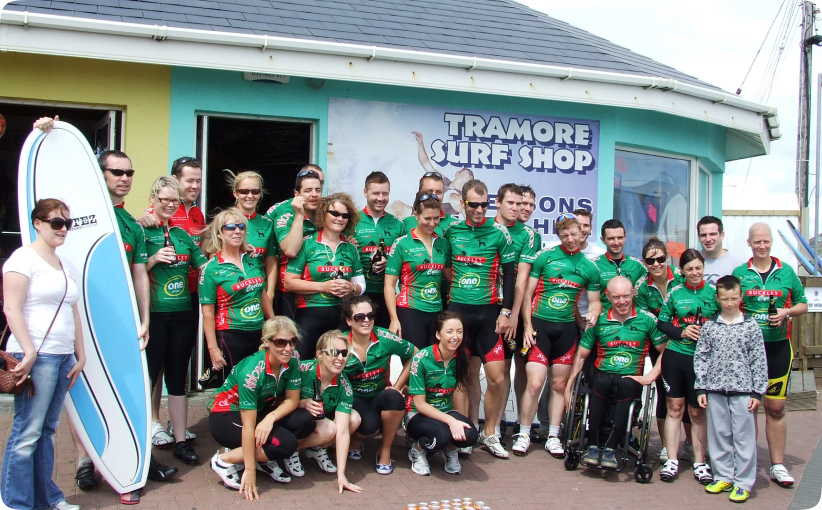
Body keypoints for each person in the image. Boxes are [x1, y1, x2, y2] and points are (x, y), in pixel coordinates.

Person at [1, 199, 85, 510]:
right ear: (37, 223)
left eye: (67, 224)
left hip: (62, 356)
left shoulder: (64, 264)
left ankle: (45, 499)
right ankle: (15, 502)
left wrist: (80, 355)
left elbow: (73, 310)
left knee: (46, 430)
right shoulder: (22, 259)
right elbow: (11, 308)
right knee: (28, 431)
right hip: (37, 355)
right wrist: (29, 351)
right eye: (56, 223)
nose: (63, 229)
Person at [517, 215, 602, 457]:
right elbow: (527, 294)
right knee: (535, 383)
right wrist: (527, 326)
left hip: (566, 331)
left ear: (581, 232)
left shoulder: (589, 267)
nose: (570, 239)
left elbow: (595, 302)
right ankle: (523, 433)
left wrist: (594, 313)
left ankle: (553, 436)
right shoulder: (545, 257)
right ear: (559, 236)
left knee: (558, 385)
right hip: (540, 328)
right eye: (565, 236)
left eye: (574, 234)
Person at [732, 222, 808, 488]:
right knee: (748, 407)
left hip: (778, 348)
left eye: (766, 241)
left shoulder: (786, 271)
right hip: (747, 351)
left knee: (775, 407)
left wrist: (787, 312)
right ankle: (747, 463)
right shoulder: (740, 273)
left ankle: (778, 465)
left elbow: (803, 304)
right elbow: (730, 306)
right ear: (749, 242)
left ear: (771, 242)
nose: (762, 246)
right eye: (757, 242)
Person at [444, 179, 516, 458]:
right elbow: (444, 267)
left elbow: (509, 275)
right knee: (464, 376)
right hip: (458, 313)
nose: (479, 210)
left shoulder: (499, 232)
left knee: (497, 378)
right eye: (473, 204)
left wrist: (506, 311)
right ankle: (467, 430)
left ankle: (490, 432)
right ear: (462, 203)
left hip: (488, 313)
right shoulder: (451, 230)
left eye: (484, 205)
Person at [137, 157, 205, 450]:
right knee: (152, 373)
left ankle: (178, 435)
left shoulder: (190, 221)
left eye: (173, 200)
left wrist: (237, 252)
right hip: (154, 310)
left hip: (186, 305)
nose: (169, 204)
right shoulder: (144, 225)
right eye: (190, 180)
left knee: (178, 372)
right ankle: (149, 427)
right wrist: (153, 258)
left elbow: (205, 261)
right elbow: (131, 271)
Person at [207, 317, 315, 499]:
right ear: (266, 342)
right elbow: (248, 427)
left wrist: (269, 419)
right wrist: (249, 471)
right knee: (286, 444)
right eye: (281, 342)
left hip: (260, 410)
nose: (288, 348)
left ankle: (261, 458)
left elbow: (292, 400)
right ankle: (224, 461)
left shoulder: (293, 359)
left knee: (305, 421)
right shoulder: (251, 373)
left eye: (293, 341)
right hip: (226, 415)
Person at [565, 276, 665, 469]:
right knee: (601, 383)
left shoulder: (647, 320)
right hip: (604, 374)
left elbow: (665, 350)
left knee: (626, 385)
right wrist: (569, 387)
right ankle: (593, 446)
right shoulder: (599, 321)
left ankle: (610, 449)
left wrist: (650, 376)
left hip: (630, 377)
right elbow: (581, 355)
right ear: (608, 296)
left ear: (633, 294)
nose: (622, 301)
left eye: (626, 296)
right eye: (616, 297)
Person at [695, 275, 767, 503]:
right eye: (725, 299)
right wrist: (701, 387)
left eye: (734, 298)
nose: (729, 303)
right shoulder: (710, 326)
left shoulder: (750, 326)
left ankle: (743, 482)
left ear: (740, 297)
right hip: (715, 388)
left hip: (743, 390)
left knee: (744, 438)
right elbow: (702, 356)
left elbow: (758, 360)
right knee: (719, 435)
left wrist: (757, 391)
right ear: (717, 298)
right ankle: (723, 475)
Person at [657, 249, 718, 484]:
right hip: (676, 355)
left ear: (703, 268)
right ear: (682, 271)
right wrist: (682, 331)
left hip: (703, 360)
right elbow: (662, 323)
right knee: (674, 408)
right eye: (689, 269)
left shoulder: (713, 293)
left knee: (697, 412)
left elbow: (726, 321)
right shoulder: (675, 293)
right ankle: (672, 460)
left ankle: (700, 462)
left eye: (698, 268)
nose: (694, 272)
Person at [284, 193, 365, 360]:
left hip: (341, 314)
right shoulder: (307, 244)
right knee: (303, 363)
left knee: (339, 363)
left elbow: (361, 286)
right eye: (334, 213)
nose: (339, 219)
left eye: (345, 216)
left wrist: (351, 288)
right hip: (310, 314)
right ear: (323, 214)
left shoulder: (350, 248)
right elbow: (289, 283)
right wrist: (323, 286)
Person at [342, 295, 416, 473]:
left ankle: (385, 451)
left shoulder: (385, 337)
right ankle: (355, 439)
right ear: (349, 321)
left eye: (371, 315)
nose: (366, 320)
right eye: (360, 317)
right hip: (352, 399)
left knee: (394, 397)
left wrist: (398, 386)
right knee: (370, 426)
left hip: (379, 395)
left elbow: (415, 354)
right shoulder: (340, 342)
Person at [200, 208, 275, 385]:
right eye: (230, 227)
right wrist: (213, 349)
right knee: (235, 387)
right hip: (231, 335)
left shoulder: (252, 259)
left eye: (241, 227)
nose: (237, 231)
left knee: (258, 383)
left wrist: (274, 324)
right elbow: (208, 313)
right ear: (219, 234)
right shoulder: (211, 268)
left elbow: (261, 292)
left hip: (258, 332)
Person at [634, 237, 687, 462]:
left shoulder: (681, 277)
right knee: (666, 394)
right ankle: (666, 445)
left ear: (667, 258)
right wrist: (663, 341)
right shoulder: (641, 287)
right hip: (660, 343)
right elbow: (646, 319)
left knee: (689, 395)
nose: (656, 264)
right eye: (650, 261)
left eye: (661, 259)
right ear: (644, 263)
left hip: (686, 342)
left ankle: (691, 443)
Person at [406, 311, 478, 476]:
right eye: (449, 331)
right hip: (417, 413)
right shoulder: (421, 359)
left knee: (470, 435)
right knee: (441, 437)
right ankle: (417, 449)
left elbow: (460, 390)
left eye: (459, 332)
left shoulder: (462, 356)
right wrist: (451, 421)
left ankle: (450, 450)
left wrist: (458, 419)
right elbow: (420, 404)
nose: (455, 337)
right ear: (438, 335)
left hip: (446, 410)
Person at [492, 184, 536, 439]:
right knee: (498, 368)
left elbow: (523, 280)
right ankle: (494, 425)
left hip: (513, 308)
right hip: (488, 305)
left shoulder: (528, 235)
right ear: (498, 202)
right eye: (514, 203)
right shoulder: (486, 227)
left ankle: (518, 422)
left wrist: (514, 314)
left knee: (518, 365)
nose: (519, 208)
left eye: (522, 204)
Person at [295, 330, 363, 493]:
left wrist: (341, 475)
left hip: (320, 418)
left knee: (353, 419)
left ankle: (314, 449)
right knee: (325, 427)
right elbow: (279, 399)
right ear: (319, 354)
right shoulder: (302, 370)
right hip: (295, 417)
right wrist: (301, 403)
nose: (340, 358)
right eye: (334, 352)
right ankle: (288, 450)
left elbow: (343, 432)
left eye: (344, 353)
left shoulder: (344, 385)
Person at [385, 192, 451, 349]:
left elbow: (451, 278)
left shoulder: (443, 243)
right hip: (410, 311)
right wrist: (394, 319)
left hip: (436, 310)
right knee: (415, 359)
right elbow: (389, 285)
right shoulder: (402, 244)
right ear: (416, 215)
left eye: (436, 218)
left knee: (434, 359)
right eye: (427, 218)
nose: (432, 223)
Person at [266, 165, 325, 320]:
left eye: (318, 190)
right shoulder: (286, 214)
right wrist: (299, 215)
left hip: (320, 287)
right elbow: (290, 250)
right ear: (296, 195)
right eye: (308, 190)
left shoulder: (328, 214)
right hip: (290, 290)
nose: (314, 195)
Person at [352, 172, 406, 329]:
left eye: (385, 193)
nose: (380, 198)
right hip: (358, 294)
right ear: (365, 192)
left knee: (383, 338)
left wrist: (390, 263)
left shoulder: (397, 225)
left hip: (387, 295)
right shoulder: (352, 221)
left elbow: (406, 261)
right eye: (376, 193)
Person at [226, 170, 279, 301]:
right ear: (235, 193)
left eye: (255, 191)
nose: (250, 196)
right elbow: (214, 256)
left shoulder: (267, 224)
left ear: (260, 194)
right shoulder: (224, 220)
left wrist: (270, 294)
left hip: (259, 291)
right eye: (244, 191)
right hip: (231, 291)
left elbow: (271, 261)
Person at [592, 219, 647, 309]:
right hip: (605, 317)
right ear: (603, 240)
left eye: (620, 237)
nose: (616, 242)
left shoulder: (637, 265)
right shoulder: (594, 265)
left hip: (633, 317)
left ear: (625, 237)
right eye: (611, 238)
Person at [401, 171, 459, 237]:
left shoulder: (455, 225)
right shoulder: (404, 224)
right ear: (419, 193)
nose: (434, 196)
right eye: (429, 192)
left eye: (438, 192)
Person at [698, 216, 746, 285]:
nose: (708, 239)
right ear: (698, 237)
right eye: (703, 235)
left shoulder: (738, 263)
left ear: (722, 235)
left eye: (712, 234)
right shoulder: (692, 261)